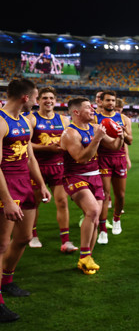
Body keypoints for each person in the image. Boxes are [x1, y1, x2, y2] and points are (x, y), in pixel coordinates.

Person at [0, 79, 51, 322]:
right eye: (36, 96)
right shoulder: (1, 122)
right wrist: (7, 200)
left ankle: (7, 280)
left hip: (25, 184)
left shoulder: (25, 121)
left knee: (24, 237)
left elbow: (30, 158)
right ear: (25, 98)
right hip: (7, 185)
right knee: (1, 244)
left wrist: (40, 184)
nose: (37, 100)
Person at [60, 97, 124, 275]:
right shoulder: (70, 134)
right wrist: (96, 139)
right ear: (76, 112)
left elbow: (114, 146)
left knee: (95, 219)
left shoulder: (95, 128)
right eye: (88, 108)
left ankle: (87, 258)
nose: (93, 109)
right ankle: (84, 255)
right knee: (94, 211)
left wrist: (121, 135)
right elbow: (81, 158)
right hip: (75, 176)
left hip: (95, 176)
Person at [26, 87, 78, 253]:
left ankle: (66, 240)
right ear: (39, 100)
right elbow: (26, 144)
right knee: (34, 204)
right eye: (44, 98)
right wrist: (46, 148)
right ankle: (33, 235)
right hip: (37, 167)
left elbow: (70, 142)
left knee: (62, 202)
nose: (48, 101)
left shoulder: (64, 120)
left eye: (51, 98)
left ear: (55, 101)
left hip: (58, 167)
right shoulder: (31, 119)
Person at [95, 91, 133, 243]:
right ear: (102, 102)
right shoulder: (95, 118)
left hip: (119, 158)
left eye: (113, 100)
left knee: (121, 195)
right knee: (104, 195)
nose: (111, 103)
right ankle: (102, 230)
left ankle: (116, 218)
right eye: (108, 100)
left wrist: (123, 133)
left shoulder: (124, 119)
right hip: (102, 158)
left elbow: (130, 140)